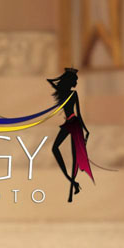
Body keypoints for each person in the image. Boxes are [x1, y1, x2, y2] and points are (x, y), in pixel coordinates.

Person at [49, 67, 94, 202]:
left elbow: (79, 114)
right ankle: (72, 182)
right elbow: (50, 80)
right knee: (55, 148)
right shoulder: (64, 93)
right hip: (69, 123)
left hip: (74, 124)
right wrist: (65, 74)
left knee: (75, 159)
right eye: (75, 80)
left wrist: (85, 130)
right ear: (70, 81)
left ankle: (71, 192)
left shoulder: (71, 94)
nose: (76, 83)